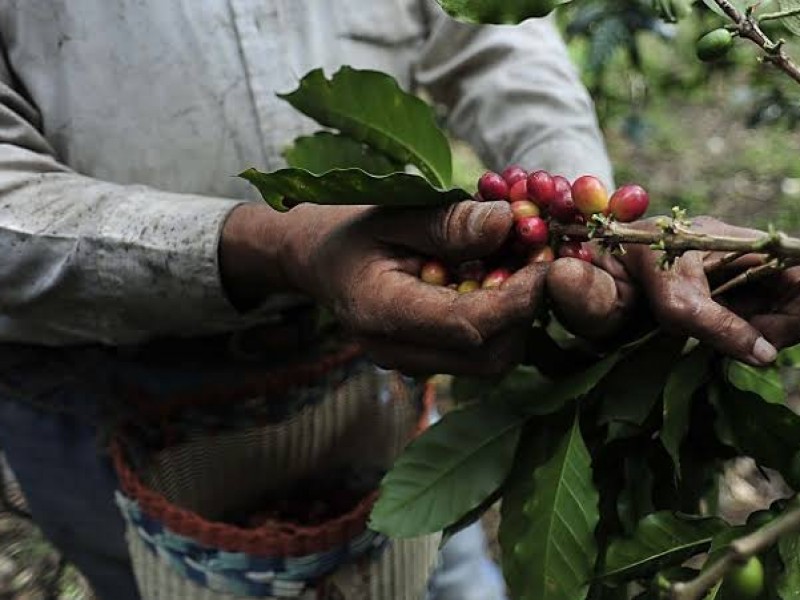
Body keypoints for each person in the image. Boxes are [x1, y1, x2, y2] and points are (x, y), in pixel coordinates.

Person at [0, 1, 797, 599]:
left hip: (371, 373)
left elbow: (493, 36)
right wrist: (276, 244)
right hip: (94, 388)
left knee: (438, 564)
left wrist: (582, 215)